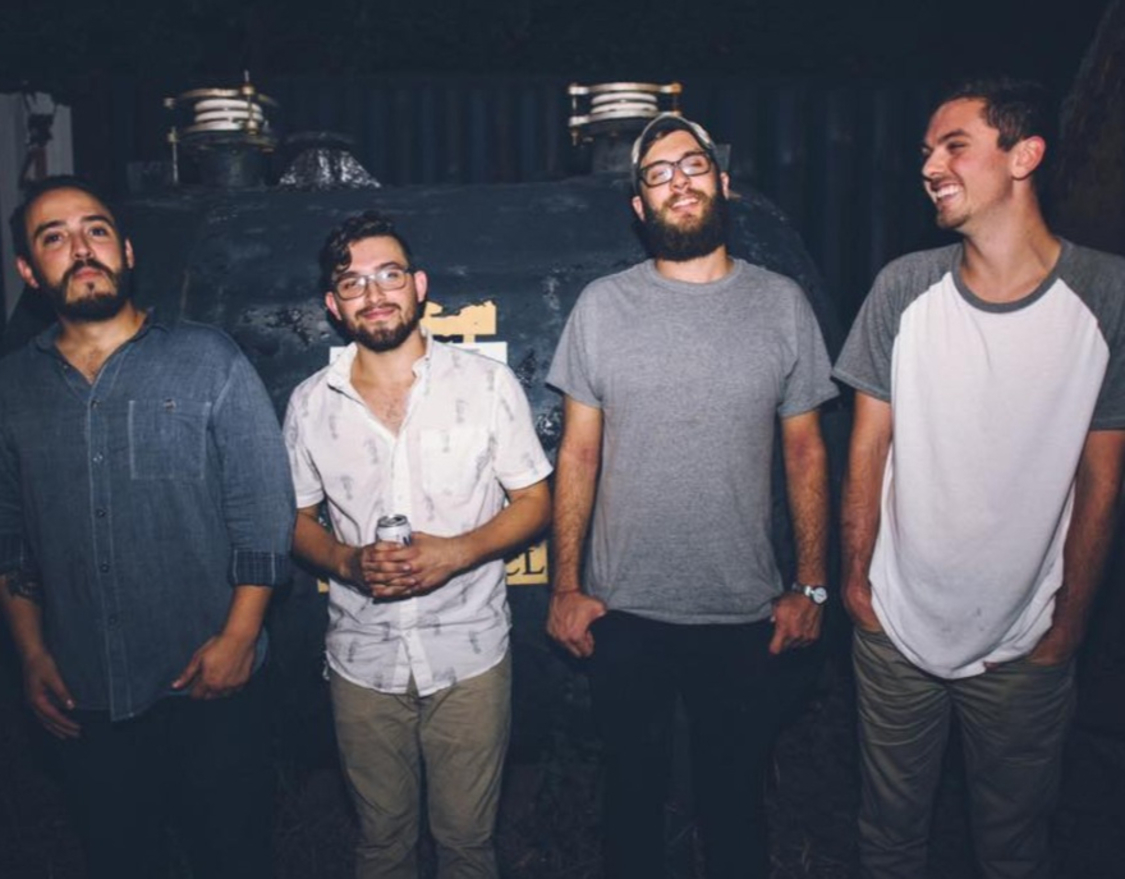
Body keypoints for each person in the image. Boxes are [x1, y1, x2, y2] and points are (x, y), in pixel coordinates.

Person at [835, 78, 1125, 879]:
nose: (929, 165)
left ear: (1023, 155)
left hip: (1025, 639)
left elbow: (1102, 480)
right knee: (888, 838)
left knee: (1013, 847)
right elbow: (866, 447)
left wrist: (1067, 626)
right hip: (895, 632)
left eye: (954, 146)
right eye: (926, 150)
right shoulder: (902, 287)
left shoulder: (1106, 295)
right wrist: (855, 585)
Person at [545, 113, 837, 879]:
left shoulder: (780, 304)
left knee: (735, 813)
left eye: (692, 165)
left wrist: (810, 584)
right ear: (638, 205)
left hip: (743, 613)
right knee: (630, 811)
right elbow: (576, 452)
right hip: (622, 612)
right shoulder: (602, 306)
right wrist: (565, 585)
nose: (677, 180)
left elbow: (805, 449)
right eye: (657, 173)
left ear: (722, 183)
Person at [0, 175, 295, 879]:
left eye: (96, 230)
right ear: (29, 271)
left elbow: (263, 514)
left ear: (126, 251)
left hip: (209, 686)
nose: (81, 248)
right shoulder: (11, 389)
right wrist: (32, 654)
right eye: (54, 237)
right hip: (84, 694)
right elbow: (9, 536)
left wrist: (238, 639)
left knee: (234, 858)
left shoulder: (209, 359)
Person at [284, 210, 552, 879]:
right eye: (352, 282)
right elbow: (293, 520)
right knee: (382, 845)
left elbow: (536, 501)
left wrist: (457, 552)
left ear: (419, 285)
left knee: (467, 845)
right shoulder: (311, 404)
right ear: (333, 306)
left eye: (389, 275)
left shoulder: (486, 384)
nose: (374, 294)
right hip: (361, 658)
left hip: (469, 652)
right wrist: (346, 561)